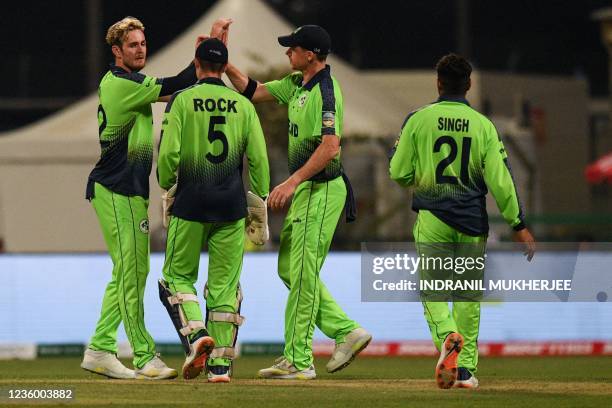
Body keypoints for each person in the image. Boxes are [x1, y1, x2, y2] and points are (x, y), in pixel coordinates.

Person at [225, 24, 371, 380]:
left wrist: (291, 182)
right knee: (290, 269)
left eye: (292, 48)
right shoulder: (296, 85)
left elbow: (331, 147)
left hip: (322, 191)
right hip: (308, 191)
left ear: (310, 54)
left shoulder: (326, 90)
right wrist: (225, 63)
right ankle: (346, 331)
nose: (287, 53)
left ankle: (299, 360)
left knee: (303, 274)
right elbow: (252, 91)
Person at [81, 16, 219, 380]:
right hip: (115, 189)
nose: (140, 49)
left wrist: (203, 61)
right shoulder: (121, 84)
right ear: (116, 51)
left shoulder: (132, 84)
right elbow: (176, 85)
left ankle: (99, 348)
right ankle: (144, 356)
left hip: (129, 192)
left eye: (143, 43)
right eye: (132, 45)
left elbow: (174, 91)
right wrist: (205, 56)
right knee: (132, 272)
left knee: (129, 273)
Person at [389, 53, 536, 389]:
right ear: (468, 85)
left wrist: (419, 176)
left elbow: (398, 171)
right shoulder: (484, 126)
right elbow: (501, 181)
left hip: (433, 217)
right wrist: (518, 224)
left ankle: (446, 336)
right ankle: (465, 370)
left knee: (434, 290)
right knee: (468, 297)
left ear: (438, 83)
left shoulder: (418, 120)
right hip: (472, 220)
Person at [157, 37, 270, 383]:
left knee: (175, 278)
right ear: (223, 68)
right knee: (224, 287)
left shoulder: (181, 101)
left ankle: (195, 338)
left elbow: (168, 156)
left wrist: (166, 184)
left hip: (191, 201)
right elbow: (259, 159)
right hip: (231, 204)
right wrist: (260, 197)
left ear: (196, 63)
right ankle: (220, 367)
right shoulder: (243, 105)